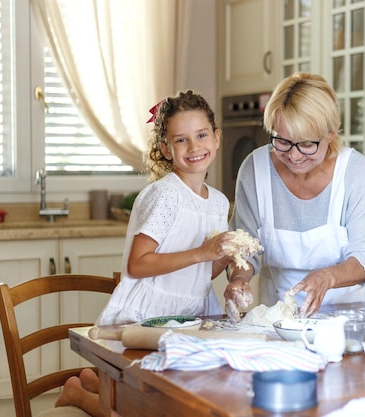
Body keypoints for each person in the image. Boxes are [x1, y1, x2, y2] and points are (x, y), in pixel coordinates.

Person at [55, 90, 238, 416]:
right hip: (148, 318)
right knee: (147, 410)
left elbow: (201, 274)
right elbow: (137, 265)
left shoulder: (220, 202)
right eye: (181, 140)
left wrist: (222, 255)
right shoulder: (166, 196)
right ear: (166, 148)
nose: (194, 147)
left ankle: (95, 385)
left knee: (176, 402)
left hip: (190, 317)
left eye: (201, 135)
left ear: (217, 137)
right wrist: (200, 252)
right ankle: (77, 394)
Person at [225, 72, 365, 319]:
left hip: (348, 318)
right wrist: (238, 279)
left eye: (307, 144)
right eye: (283, 142)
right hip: (277, 318)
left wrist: (326, 277)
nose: (294, 156)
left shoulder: (356, 174)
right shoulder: (255, 170)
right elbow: (245, 249)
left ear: (330, 134)